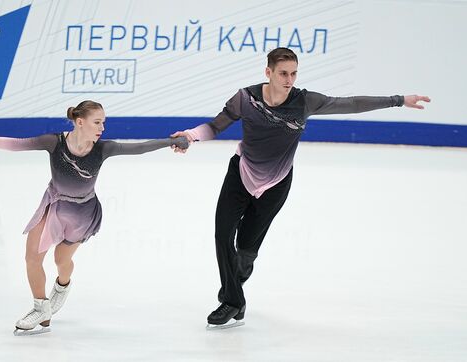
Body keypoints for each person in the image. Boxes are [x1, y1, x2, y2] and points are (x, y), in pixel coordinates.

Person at [170, 47, 430, 329]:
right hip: (241, 173)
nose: (289, 79)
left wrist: (399, 100)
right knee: (223, 234)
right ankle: (233, 302)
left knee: (245, 250)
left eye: (294, 73)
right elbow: (215, 126)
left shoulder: (305, 102)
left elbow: (351, 104)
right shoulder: (246, 98)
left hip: (276, 184)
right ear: (268, 72)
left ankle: (234, 288)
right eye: (283, 73)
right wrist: (190, 136)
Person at [0, 100, 189, 336]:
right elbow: (16, 144)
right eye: (97, 122)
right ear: (80, 122)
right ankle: (40, 308)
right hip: (53, 204)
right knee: (32, 256)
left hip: (82, 213)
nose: (102, 128)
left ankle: (62, 287)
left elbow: (140, 148)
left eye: (103, 122)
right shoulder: (54, 142)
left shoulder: (103, 149)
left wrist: (171, 142)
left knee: (61, 259)